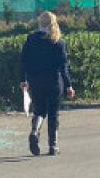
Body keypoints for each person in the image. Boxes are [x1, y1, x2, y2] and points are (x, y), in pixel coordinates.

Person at [19, 11, 74, 156]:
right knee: (53, 114)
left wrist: (23, 80)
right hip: (54, 82)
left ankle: (35, 131)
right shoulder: (58, 42)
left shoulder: (31, 39)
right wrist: (69, 85)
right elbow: (63, 66)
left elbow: (24, 62)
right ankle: (53, 146)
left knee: (39, 111)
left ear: (40, 22)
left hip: (35, 81)